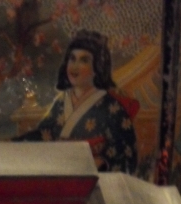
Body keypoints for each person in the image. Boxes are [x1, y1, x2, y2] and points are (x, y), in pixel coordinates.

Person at [15, 30, 138, 174]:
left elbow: (127, 154)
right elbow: (44, 133)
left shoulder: (111, 107)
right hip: (60, 173)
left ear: (97, 67)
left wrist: (99, 162)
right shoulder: (61, 101)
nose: (74, 66)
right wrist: (12, 144)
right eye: (72, 59)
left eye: (84, 60)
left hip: (93, 178)